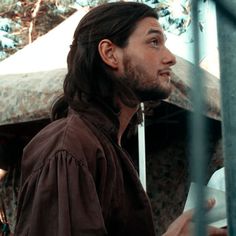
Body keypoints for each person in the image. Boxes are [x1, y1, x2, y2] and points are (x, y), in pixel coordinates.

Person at [15, 2, 227, 236]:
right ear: (109, 54)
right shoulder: (68, 149)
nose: (170, 58)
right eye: (154, 42)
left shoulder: (107, 147)